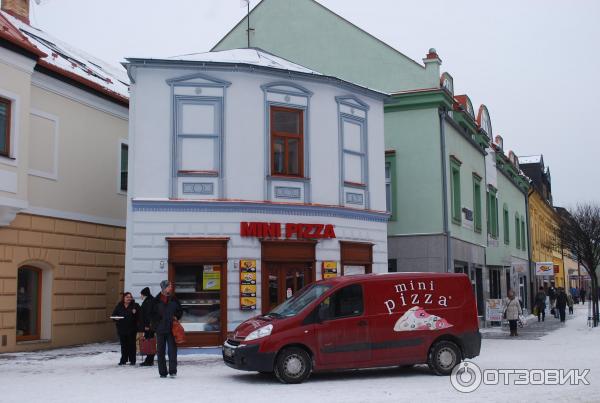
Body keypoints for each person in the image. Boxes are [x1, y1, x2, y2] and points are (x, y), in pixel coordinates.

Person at [151, 280, 183, 378]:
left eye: (171, 286)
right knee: (160, 351)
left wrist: (177, 316)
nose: (171, 288)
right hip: (160, 329)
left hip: (171, 328)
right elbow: (151, 314)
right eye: (169, 286)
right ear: (164, 288)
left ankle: (173, 371)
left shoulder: (174, 299)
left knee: (172, 351)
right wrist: (156, 324)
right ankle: (162, 372)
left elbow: (180, 310)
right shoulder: (156, 300)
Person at [112, 292, 140, 366]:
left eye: (130, 297)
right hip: (122, 328)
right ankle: (123, 360)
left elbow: (140, 316)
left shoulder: (135, 305)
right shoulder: (119, 306)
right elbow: (114, 315)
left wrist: (135, 312)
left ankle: (132, 360)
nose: (129, 298)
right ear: (123, 298)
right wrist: (116, 318)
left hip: (132, 329)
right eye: (127, 297)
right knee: (123, 345)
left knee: (132, 345)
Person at [139, 287, 156, 366]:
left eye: (141, 295)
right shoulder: (150, 300)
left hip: (149, 326)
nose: (140, 296)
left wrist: (147, 325)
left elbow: (148, 315)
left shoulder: (148, 301)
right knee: (150, 341)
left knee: (149, 342)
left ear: (144, 295)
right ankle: (149, 359)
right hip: (150, 326)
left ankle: (149, 360)